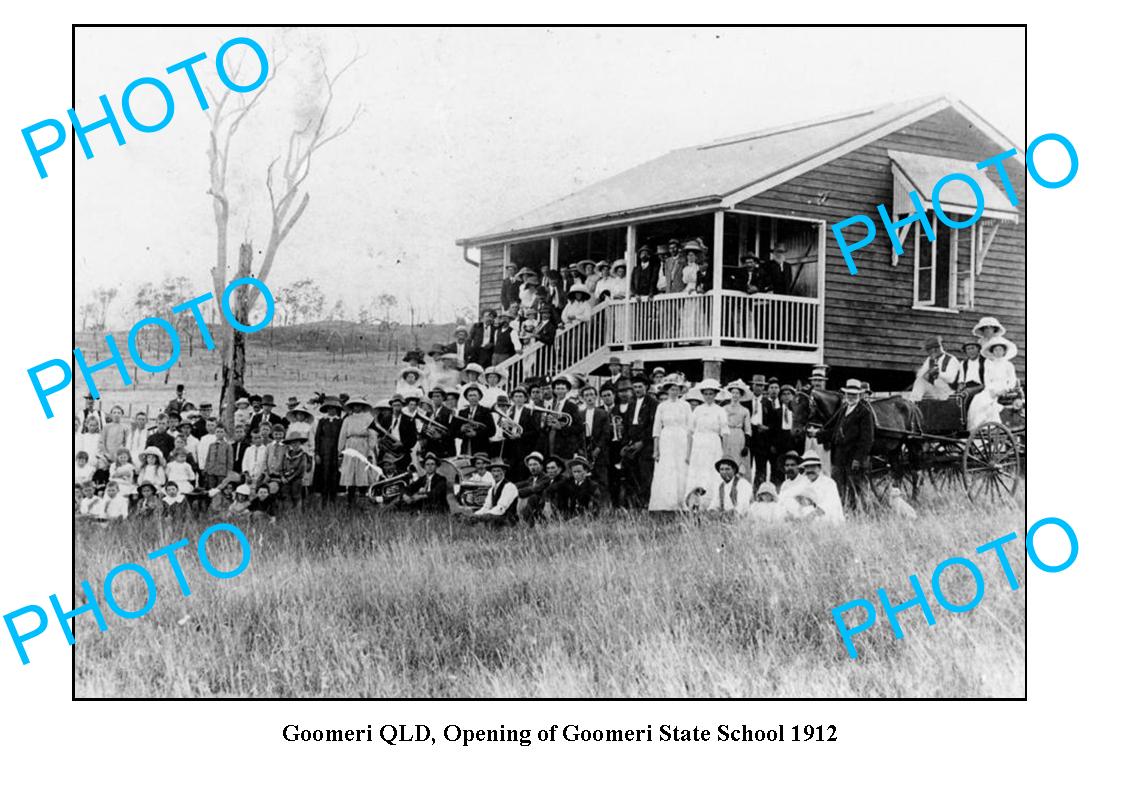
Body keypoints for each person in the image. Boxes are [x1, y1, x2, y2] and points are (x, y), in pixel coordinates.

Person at [823, 378, 875, 509]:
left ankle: (857, 512)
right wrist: (817, 434)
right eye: (849, 394)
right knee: (839, 484)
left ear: (859, 395)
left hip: (853, 456)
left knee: (854, 487)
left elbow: (867, 439)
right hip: (839, 455)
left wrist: (858, 458)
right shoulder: (843, 409)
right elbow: (832, 429)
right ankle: (841, 510)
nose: (851, 397)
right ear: (845, 395)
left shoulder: (864, 412)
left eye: (854, 395)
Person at [649, 380, 691, 511]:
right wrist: (656, 450)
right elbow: (656, 429)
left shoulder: (685, 405)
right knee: (666, 468)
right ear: (667, 391)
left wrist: (689, 451)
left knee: (680, 469)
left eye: (676, 389)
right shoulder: (661, 406)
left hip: (681, 439)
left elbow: (690, 429)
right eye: (671, 389)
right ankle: (665, 503)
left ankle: (680, 502)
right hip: (666, 439)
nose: (674, 392)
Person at [967, 337, 1019, 429]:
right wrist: (990, 389)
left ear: (1004, 352)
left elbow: (1012, 380)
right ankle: (977, 428)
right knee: (977, 399)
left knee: (987, 403)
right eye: (995, 350)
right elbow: (987, 379)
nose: (998, 352)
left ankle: (990, 426)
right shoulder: (989, 364)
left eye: (1000, 350)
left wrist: (1006, 389)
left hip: (1003, 387)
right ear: (992, 352)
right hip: (991, 388)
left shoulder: (1008, 365)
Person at [782, 451, 844, 524]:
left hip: (829, 519)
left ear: (819, 468)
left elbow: (828, 505)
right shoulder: (804, 483)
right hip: (810, 519)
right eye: (807, 467)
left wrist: (811, 515)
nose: (810, 470)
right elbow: (788, 496)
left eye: (813, 467)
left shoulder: (829, 483)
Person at [338, 396, 379, 505]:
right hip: (351, 446)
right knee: (350, 474)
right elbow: (342, 435)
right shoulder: (348, 419)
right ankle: (350, 502)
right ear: (352, 407)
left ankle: (363, 501)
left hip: (363, 446)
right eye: (354, 405)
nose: (357, 407)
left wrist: (370, 449)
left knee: (363, 473)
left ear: (362, 406)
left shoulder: (368, 418)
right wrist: (340, 450)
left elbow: (372, 435)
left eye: (359, 405)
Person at [313, 396, 344, 505]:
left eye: (334, 408)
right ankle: (324, 500)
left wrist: (341, 454)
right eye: (329, 408)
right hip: (323, 452)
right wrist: (317, 453)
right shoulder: (322, 421)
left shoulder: (340, 422)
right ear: (326, 409)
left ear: (337, 409)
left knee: (334, 475)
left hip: (335, 451)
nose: (332, 410)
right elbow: (317, 438)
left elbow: (342, 437)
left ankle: (333, 500)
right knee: (324, 475)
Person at [468, 459, 519, 524]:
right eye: (493, 471)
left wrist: (482, 516)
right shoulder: (492, 489)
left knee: (489, 518)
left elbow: (501, 508)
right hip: (496, 519)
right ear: (491, 473)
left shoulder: (509, 487)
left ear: (503, 472)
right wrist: (475, 515)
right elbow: (486, 507)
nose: (496, 474)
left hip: (508, 520)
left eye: (498, 471)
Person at [578, 385, 610, 486]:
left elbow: (606, 433)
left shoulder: (603, 413)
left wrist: (598, 448)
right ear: (583, 398)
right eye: (586, 395)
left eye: (591, 394)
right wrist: (580, 449)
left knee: (601, 479)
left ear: (596, 396)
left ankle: (603, 501)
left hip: (599, 448)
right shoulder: (580, 414)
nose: (589, 397)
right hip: (585, 447)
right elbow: (577, 433)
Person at [454, 384, 496, 458]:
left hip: (481, 447)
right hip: (466, 447)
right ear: (467, 398)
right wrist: (461, 429)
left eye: (474, 395)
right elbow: (455, 432)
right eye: (470, 395)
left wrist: (476, 433)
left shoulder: (485, 411)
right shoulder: (462, 412)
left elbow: (492, 431)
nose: (472, 398)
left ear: (479, 397)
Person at [278, 428, 313, 510]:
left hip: (296, 479)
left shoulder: (303, 455)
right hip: (286, 479)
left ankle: (297, 513)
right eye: (293, 444)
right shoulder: (286, 455)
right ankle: (287, 512)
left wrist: (290, 478)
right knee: (285, 494)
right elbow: (281, 467)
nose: (295, 445)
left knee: (296, 494)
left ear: (300, 444)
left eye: (297, 443)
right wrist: (282, 477)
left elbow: (301, 469)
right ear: (290, 445)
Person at [515, 451, 550, 522]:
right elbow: (521, 484)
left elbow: (534, 489)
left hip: (541, 508)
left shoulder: (546, 478)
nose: (532, 467)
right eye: (530, 465)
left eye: (535, 464)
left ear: (541, 466)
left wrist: (515, 492)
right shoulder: (531, 479)